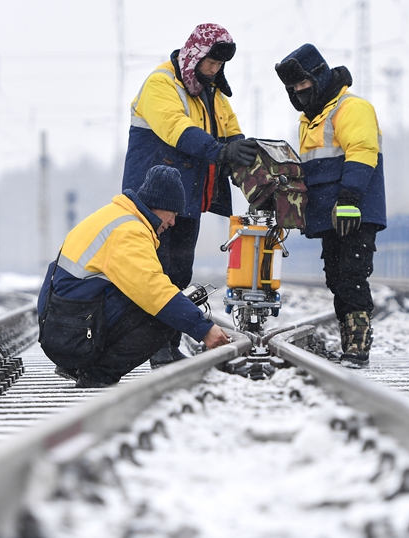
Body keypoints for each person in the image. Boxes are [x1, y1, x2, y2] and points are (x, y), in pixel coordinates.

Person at [122, 22, 258, 366]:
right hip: (153, 201)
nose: (214, 71)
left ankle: (167, 344)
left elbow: (231, 134)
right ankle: (157, 349)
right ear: (194, 57)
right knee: (158, 273)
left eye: (219, 66)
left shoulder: (212, 93)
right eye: (210, 64)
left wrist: (247, 163)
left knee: (179, 274)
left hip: (187, 200)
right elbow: (177, 129)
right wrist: (220, 151)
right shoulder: (160, 84)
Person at [38, 165, 230, 387]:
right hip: (73, 337)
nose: (173, 223)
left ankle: (79, 364)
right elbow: (154, 291)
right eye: (173, 214)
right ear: (159, 206)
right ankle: (97, 374)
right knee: (165, 313)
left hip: (63, 327)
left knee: (164, 303)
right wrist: (203, 329)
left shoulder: (115, 216)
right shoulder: (129, 232)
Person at [274, 44, 387, 369]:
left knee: (352, 275)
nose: (299, 93)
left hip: (354, 209)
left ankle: (357, 343)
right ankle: (349, 339)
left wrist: (350, 199)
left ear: (318, 78)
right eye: (293, 89)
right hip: (329, 215)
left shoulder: (350, 108)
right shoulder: (309, 120)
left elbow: (362, 151)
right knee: (336, 276)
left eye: (303, 86)